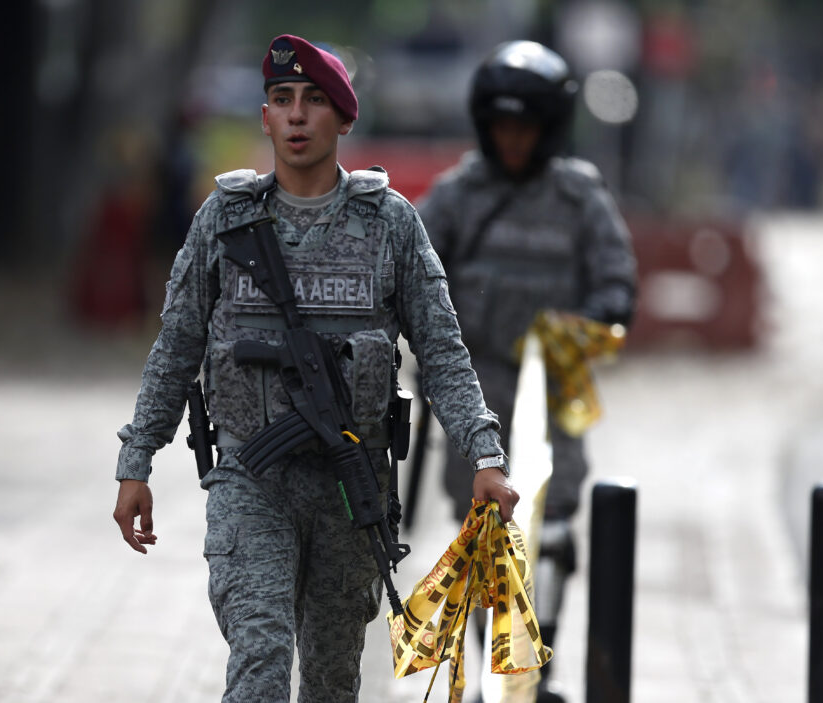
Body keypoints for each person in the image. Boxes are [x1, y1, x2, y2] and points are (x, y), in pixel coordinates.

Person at [111, 34, 518, 703]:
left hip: (348, 488)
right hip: (250, 478)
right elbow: (177, 347)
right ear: (266, 117)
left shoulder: (390, 226)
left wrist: (484, 454)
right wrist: (136, 462)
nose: (296, 115)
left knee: (331, 682)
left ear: (344, 118)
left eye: (313, 101)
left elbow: (442, 351)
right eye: (281, 99)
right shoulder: (224, 221)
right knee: (262, 658)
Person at [416, 40, 637, 702]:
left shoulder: (579, 198)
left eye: (526, 128)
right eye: (502, 127)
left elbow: (618, 283)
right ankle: (496, 674)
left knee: (555, 527)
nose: (513, 141)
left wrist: (589, 320)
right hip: (475, 387)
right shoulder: (458, 195)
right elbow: (409, 268)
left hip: (554, 385)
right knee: (485, 534)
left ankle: (540, 666)